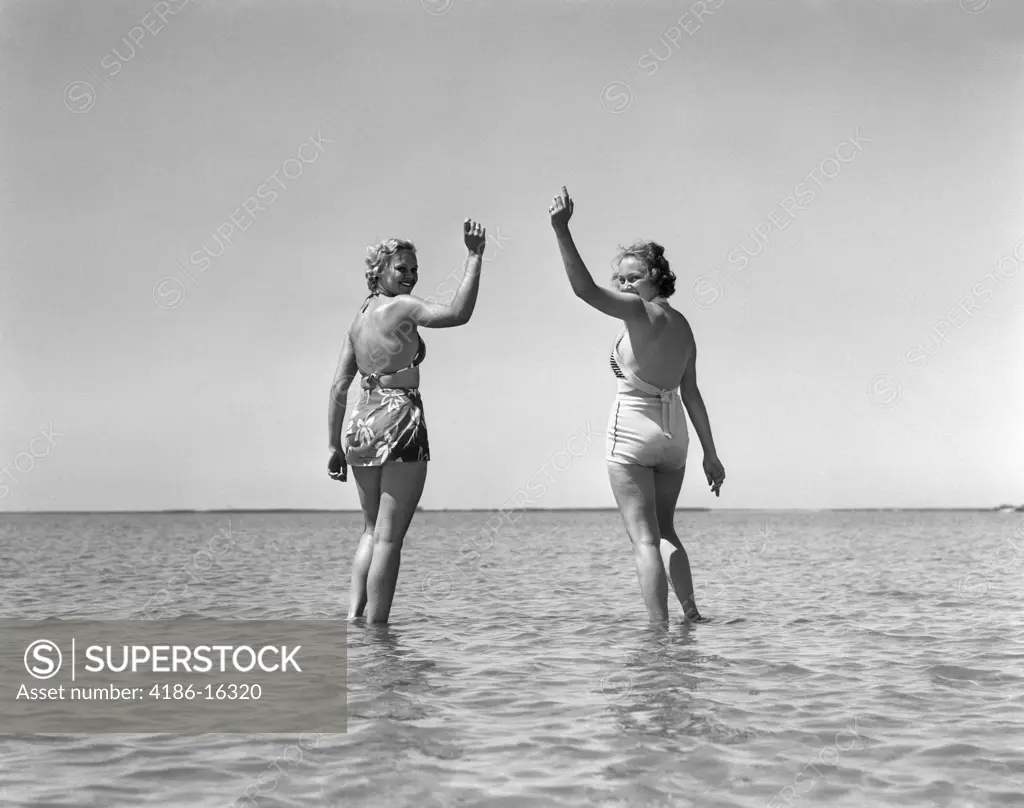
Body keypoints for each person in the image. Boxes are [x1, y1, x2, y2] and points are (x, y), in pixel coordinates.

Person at [548, 186, 725, 623]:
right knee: (667, 531)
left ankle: (657, 632)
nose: (625, 286)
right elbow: (692, 393)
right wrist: (711, 454)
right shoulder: (684, 326)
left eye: (633, 278)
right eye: (621, 279)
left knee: (643, 539)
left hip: (634, 427)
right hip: (675, 437)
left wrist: (561, 230)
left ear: (656, 279)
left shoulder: (639, 312)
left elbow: (584, 290)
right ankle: (691, 616)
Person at [327, 219, 487, 623]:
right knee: (389, 538)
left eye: (415, 269)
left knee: (369, 531)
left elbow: (338, 388)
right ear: (379, 269)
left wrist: (333, 445)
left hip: (361, 425)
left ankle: (354, 621)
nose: (411, 276)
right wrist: (473, 257)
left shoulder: (358, 319)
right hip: (399, 419)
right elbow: (457, 314)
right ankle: (379, 633)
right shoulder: (403, 307)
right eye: (402, 268)